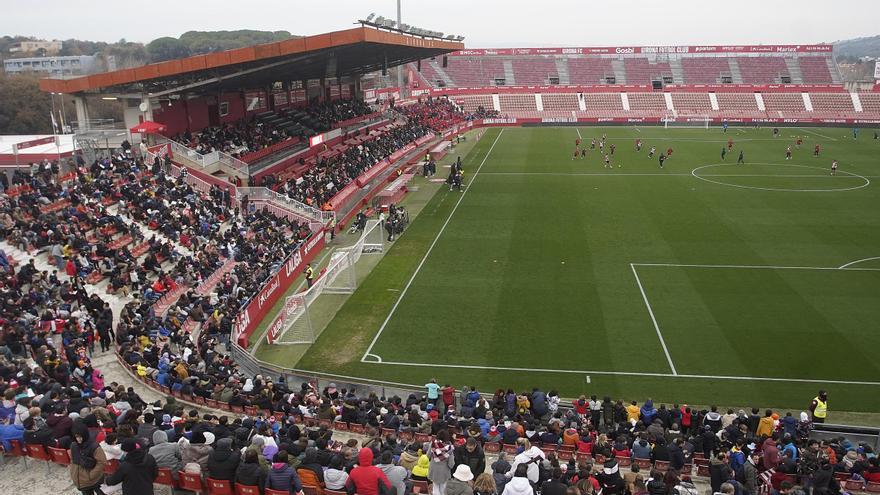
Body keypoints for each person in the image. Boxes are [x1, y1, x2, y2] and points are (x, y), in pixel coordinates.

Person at [69, 422, 108, 495]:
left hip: (92, 479)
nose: (78, 439)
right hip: (80, 480)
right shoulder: (73, 445)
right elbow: (72, 459)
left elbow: (102, 462)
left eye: (80, 437)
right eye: (76, 437)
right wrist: (72, 471)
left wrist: (91, 475)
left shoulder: (94, 446)